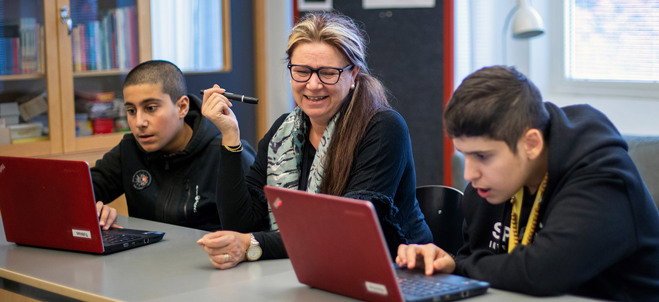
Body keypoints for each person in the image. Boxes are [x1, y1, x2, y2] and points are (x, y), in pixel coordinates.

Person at [396, 65, 659, 301]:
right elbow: (475, 259)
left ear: (531, 144)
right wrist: (448, 262)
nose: (469, 174)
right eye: (464, 154)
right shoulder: (487, 189)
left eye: (482, 156)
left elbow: (543, 273)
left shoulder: (603, 177)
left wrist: (458, 266)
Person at [196, 11, 432, 269]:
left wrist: (253, 244)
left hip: (394, 269)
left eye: (328, 73)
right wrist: (230, 136)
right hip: (313, 266)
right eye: (302, 71)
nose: (313, 85)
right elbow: (239, 225)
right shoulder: (282, 132)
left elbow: (347, 229)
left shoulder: (383, 127)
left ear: (353, 74)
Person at [92, 60, 255, 231]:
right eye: (131, 111)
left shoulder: (229, 153)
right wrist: (97, 210)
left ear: (182, 107)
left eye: (151, 108)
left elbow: (257, 228)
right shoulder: (129, 150)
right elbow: (77, 194)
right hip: (146, 257)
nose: (139, 122)